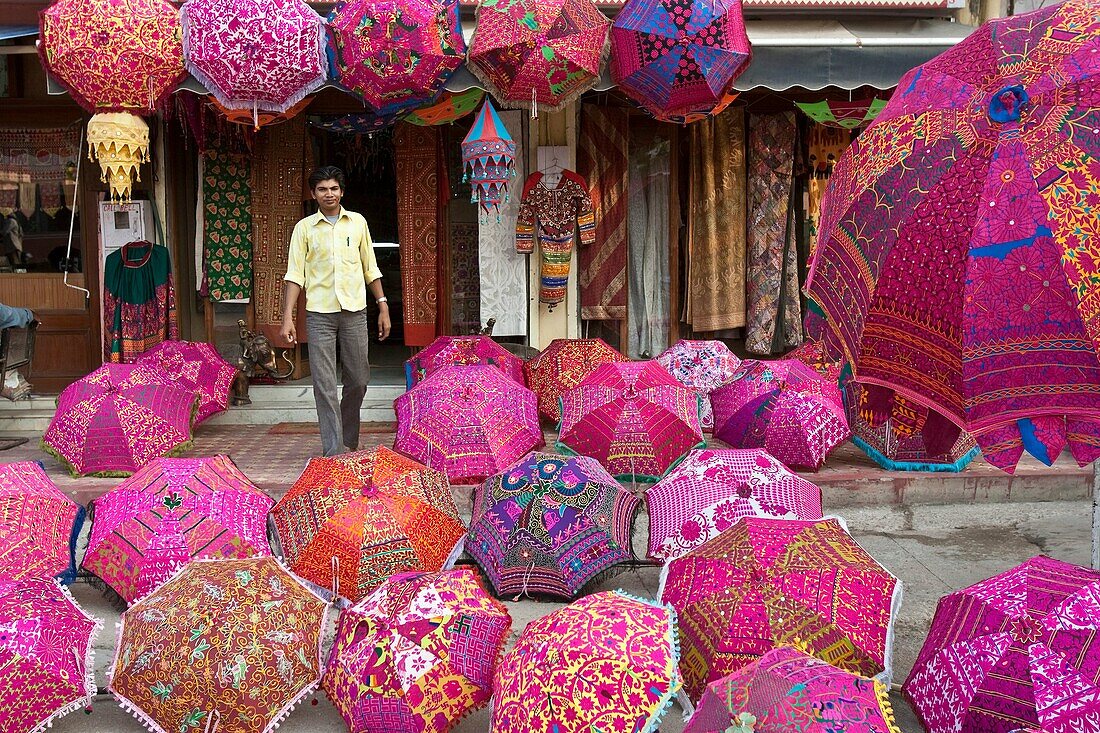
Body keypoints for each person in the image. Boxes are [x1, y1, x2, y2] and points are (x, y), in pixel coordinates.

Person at [281, 166, 391, 457]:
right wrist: (288, 317)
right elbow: (295, 274)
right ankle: (334, 450)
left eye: (333, 188)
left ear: (342, 191)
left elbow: (370, 267)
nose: (328, 194)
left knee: (359, 379)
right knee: (324, 384)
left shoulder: (357, 223)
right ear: (313, 194)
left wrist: (383, 306)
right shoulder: (304, 228)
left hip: (354, 312)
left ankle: (349, 438)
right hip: (319, 314)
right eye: (321, 189)